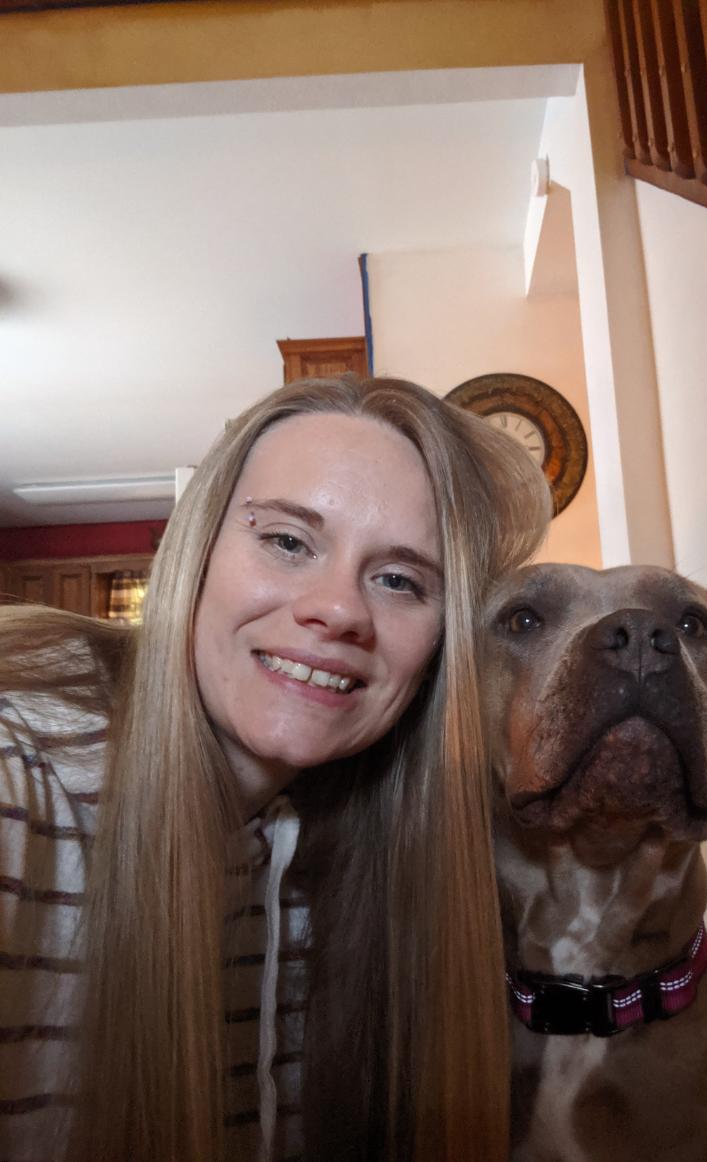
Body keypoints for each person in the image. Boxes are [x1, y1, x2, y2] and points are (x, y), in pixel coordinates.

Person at [0, 375, 551, 1162]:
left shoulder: (383, 851)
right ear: (194, 554)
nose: (340, 609)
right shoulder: (19, 780)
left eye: (400, 580)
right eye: (288, 542)